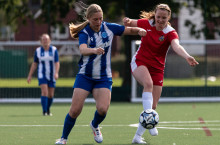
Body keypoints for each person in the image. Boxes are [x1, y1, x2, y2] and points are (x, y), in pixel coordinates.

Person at [55, 3, 146, 144]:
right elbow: (83, 49)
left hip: (103, 78)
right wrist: (94, 50)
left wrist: (139, 30)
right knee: (74, 111)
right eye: (95, 19)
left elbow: (128, 30)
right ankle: (63, 139)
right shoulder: (84, 32)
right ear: (88, 18)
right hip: (85, 76)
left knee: (103, 109)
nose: (98, 22)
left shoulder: (109, 27)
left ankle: (95, 125)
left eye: (100, 19)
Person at [123, 3, 199, 144]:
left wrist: (187, 56)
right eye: (158, 17)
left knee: (153, 105)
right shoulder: (146, 23)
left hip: (157, 69)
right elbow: (131, 22)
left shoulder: (170, 32)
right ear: (155, 15)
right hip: (140, 62)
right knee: (148, 84)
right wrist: (127, 21)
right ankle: (150, 117)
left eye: (164, 18)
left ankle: (137, 137)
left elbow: (176, 46)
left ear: (168, 17)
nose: (160, 20)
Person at [27, 33, 60, 116]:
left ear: (50, 40)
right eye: (43, 40)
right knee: (44, 92)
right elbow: (34, 63)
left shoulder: (54, 50)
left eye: (46, 39)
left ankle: (48, 109)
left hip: (51, 75)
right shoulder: (38, 51)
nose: (45, 41)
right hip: (42, 74)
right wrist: (30, 75)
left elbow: (57, 62)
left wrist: (56, 73)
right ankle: (44, 111)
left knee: (51, 94)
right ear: (41, 41)